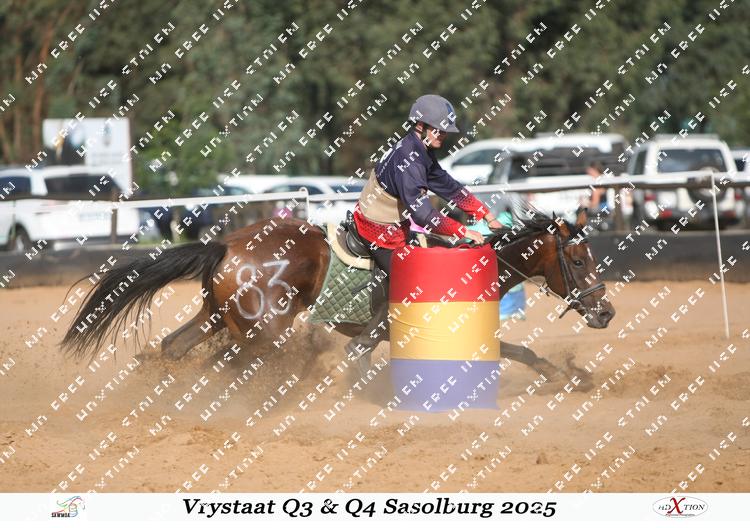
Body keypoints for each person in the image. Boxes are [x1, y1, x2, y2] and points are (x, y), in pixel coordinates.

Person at [345, 94, 502, 373]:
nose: (443, 136)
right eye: (439, 130)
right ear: (421, 126)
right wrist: (462, 230)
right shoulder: (411, 158)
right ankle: (362, 344)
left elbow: (447, 185)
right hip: (378, 231)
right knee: (409, 287)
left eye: (444, 131)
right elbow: (422, 214)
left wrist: (484, 213)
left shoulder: (420, 150)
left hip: (392, 226)